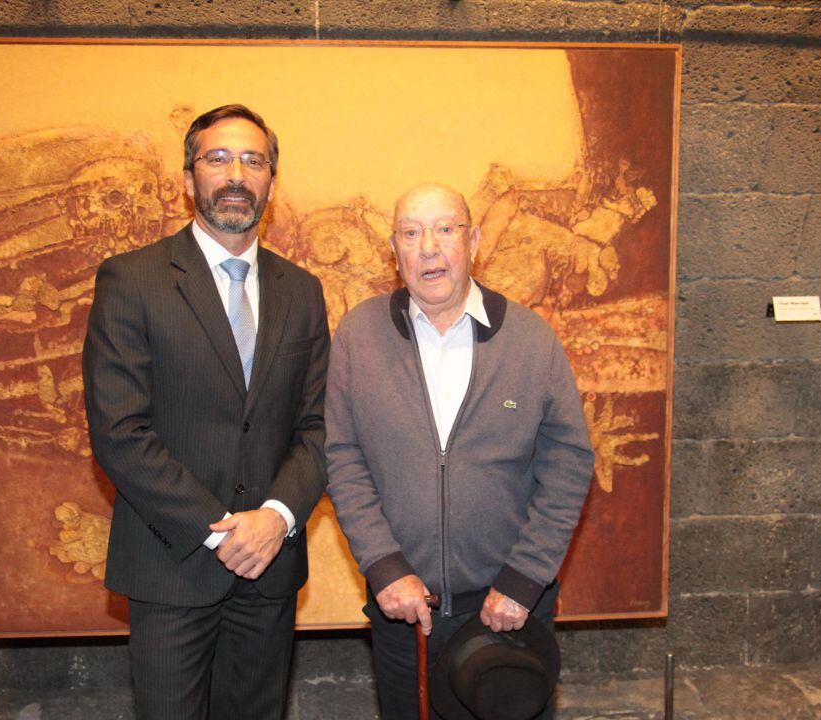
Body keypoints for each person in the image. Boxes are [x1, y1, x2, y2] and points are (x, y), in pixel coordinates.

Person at [83, 104, 330, 720]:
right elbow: (120, 432)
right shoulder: (132, 280)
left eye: (253, 160)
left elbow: (321, 426)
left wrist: (274, 518)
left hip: (268, 570)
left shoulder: (302, 290)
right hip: (173, 567)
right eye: (217, 159)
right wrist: (221, 528)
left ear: (272, 180)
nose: (236, 174)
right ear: (188, 178)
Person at [325, 183, 594, 719]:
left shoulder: (530, 339)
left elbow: (568, 464)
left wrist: (524, 580)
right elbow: (342, 455)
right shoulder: (359, 336)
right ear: (394, 250)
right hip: (406, 611)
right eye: (411, 232)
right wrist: (383, 566)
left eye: (445, 229)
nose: (428, 247)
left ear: (473, 242)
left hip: (510, 609)